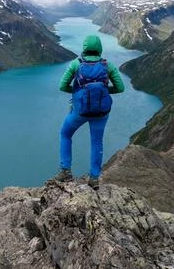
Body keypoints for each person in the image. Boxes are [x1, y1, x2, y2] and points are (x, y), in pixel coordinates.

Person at [53, 34, 125, 188]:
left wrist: (79, 92)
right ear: (99, 48)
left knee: (65, 134)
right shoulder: (108, 65)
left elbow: (62, 86)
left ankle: (65, 171)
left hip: (80, 111)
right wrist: (103, 90)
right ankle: (94, 179)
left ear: (84, 48)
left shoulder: (76, 64)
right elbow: (120, 88)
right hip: (101, 112)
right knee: (96, 142)